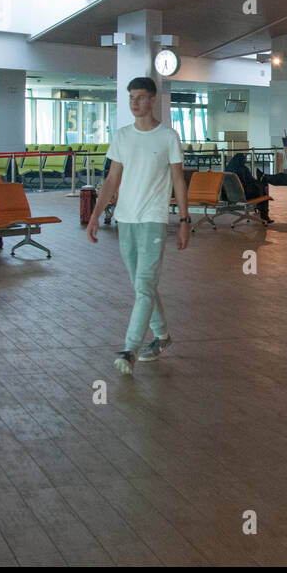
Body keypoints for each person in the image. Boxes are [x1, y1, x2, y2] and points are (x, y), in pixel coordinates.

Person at [86, 77, 190, 376]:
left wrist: (184, 220)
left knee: (144, 285)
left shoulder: (168, 137)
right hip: (126, 219)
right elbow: (111, 180)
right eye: (132, 97)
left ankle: (129, 349)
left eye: (141, 97)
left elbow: (178, 181)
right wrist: (95, 215)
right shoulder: (122, 136)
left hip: (153, 220)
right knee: (141, 286)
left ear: (153, 100)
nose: (134, 103)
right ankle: (162, 336)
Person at [225, 152, 273, 223]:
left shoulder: (227, 170)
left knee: (260, 187)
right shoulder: (243, 169)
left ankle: (259, 207)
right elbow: (250, 181)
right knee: (263, 188)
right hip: (244, 195)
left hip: (230, 195)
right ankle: (264, 215)